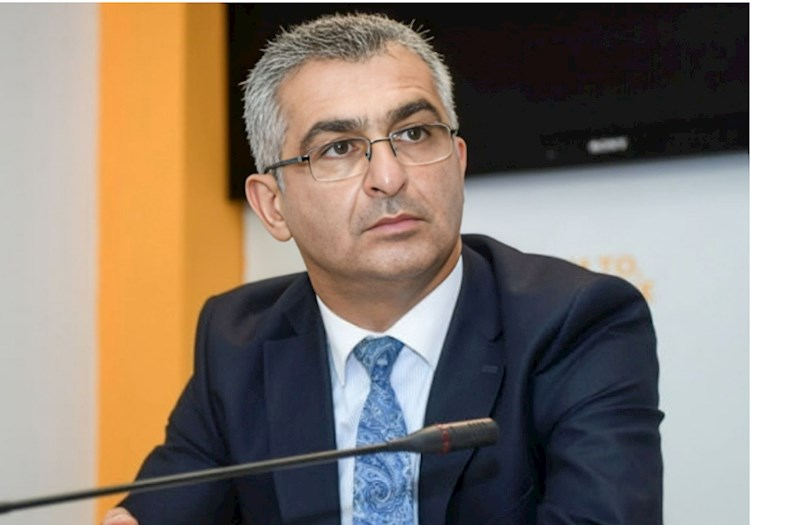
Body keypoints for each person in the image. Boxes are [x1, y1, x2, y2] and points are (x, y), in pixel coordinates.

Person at [101, 12, 663, 525]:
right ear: (273, 206)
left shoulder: (577, 323)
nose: (389, 177)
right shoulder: (238, 341)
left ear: (457, 162)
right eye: (339, 148)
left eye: (415, 134)